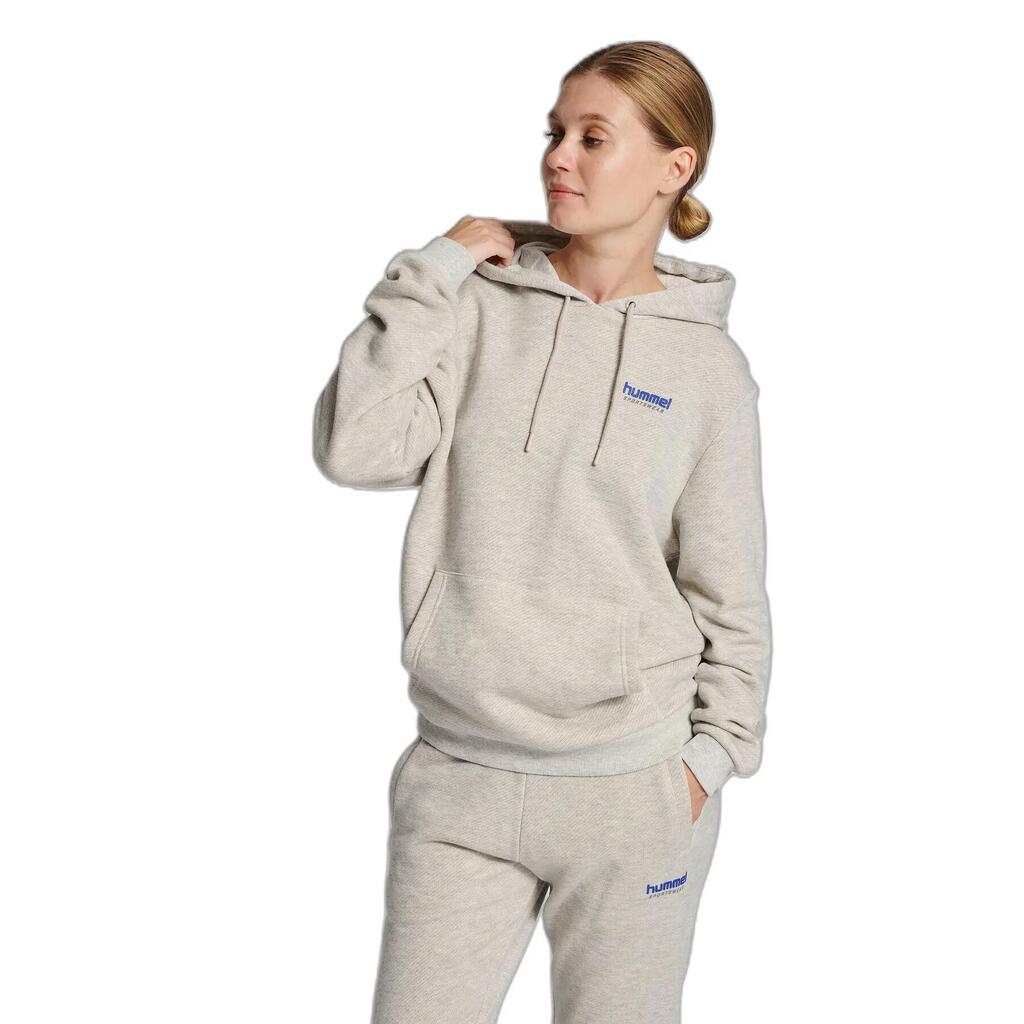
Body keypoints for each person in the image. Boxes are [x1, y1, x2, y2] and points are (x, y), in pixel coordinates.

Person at [313, 40, 772, 1024]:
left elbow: (729, 588)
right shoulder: (472, 308)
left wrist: (708, 763)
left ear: (674, 166)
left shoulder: (708, 372)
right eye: (555, 132)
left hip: (633, 792)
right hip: (460, 781)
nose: (558, 156)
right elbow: (356, 448)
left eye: (593, 138)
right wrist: (433, 268)